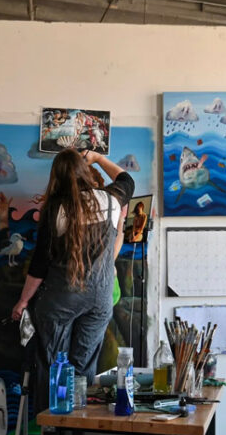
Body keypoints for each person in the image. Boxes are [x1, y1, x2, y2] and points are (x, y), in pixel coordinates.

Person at [11, 148, 134, 413]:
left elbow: (40, 265)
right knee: (84, 366)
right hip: (99, 300)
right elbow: (127, 180)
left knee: (54, 363)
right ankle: (78, 431)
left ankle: (51, 430)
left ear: (55, 178)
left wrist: (23, 301)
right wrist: (99, 159)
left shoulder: (55, 209)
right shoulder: (111, 200)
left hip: (62, 297)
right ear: (85, 172)